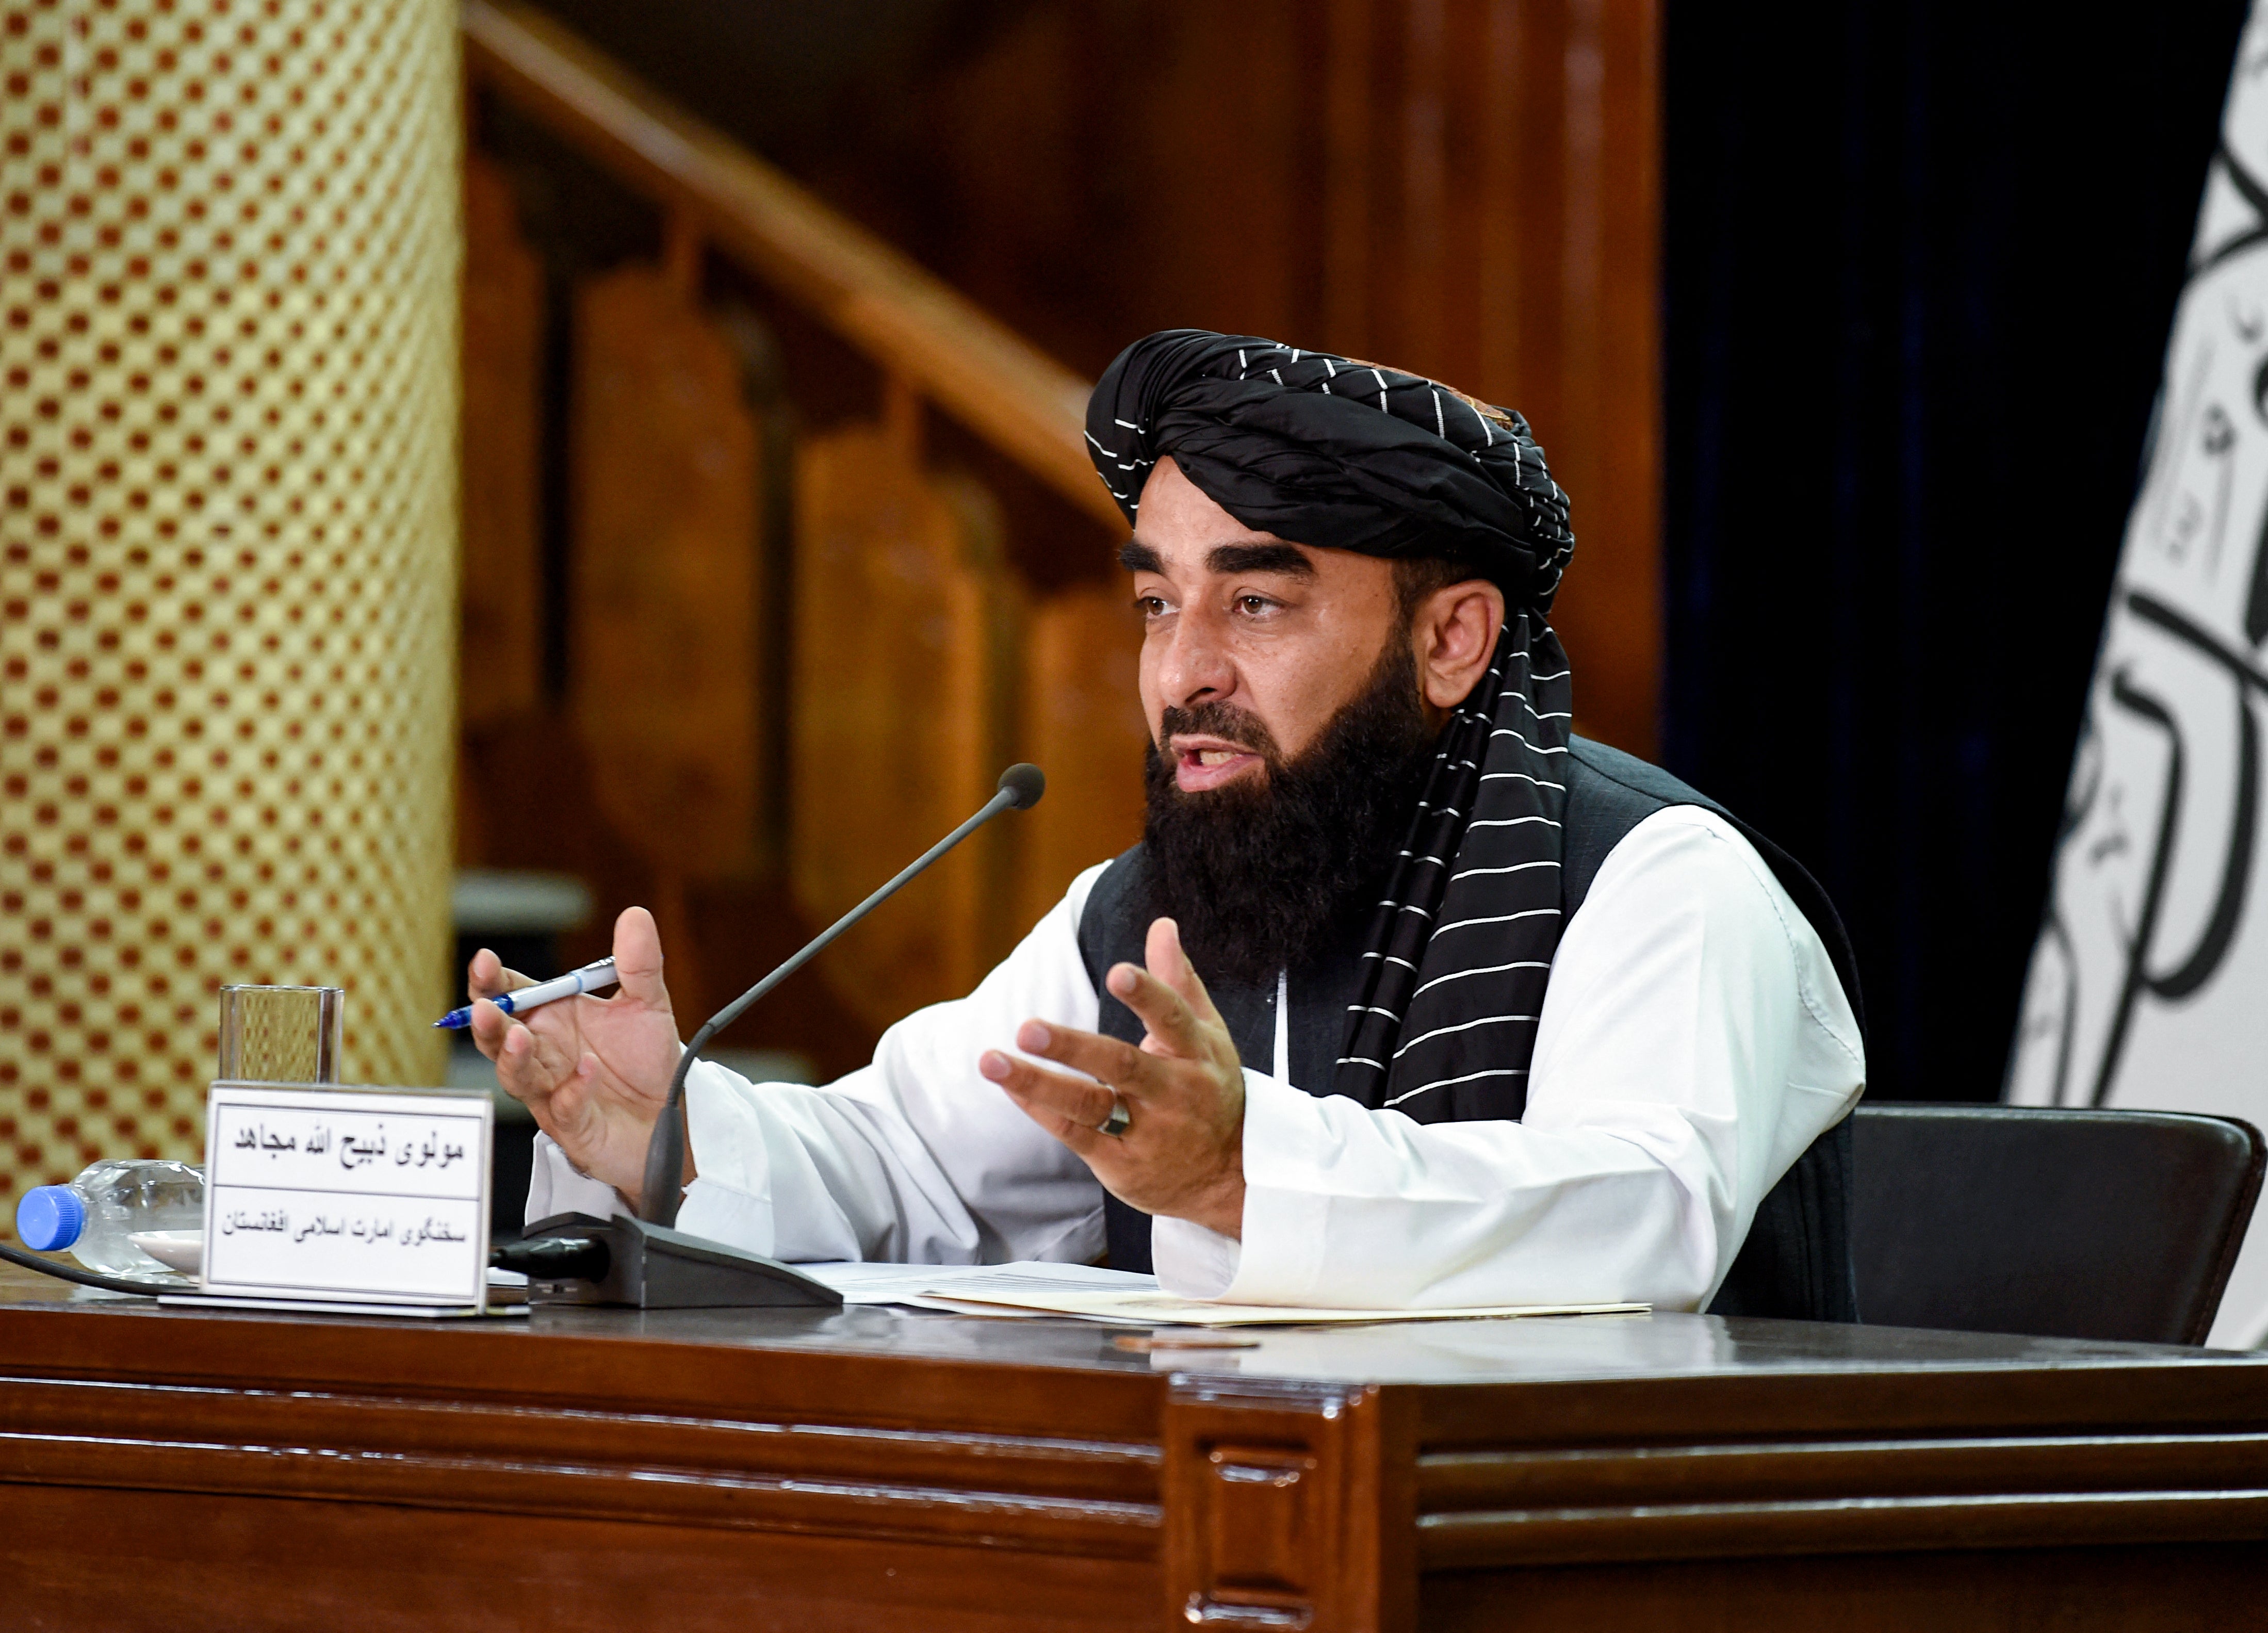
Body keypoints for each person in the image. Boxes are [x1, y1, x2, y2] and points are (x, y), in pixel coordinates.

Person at [472, 330, 1867, 1314]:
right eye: (1156, 602)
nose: (1179, 669)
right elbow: (906, 1164)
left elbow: (1636, 1217)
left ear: (1450, 640)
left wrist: (1237, 1172)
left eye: (1254, 604)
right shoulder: (1151, 908)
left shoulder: (1654, 880)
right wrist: (672, 1133)